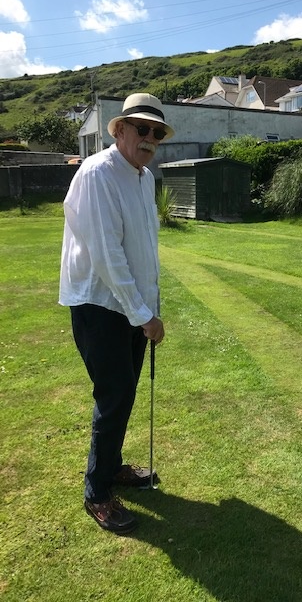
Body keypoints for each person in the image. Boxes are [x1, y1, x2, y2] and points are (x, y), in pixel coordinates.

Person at [59, 93, 175, 533]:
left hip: (131, 307)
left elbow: (144, 249)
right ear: (120, 129)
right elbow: (108, 257)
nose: (150, 138)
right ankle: (97, 492)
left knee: (123, 394)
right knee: (114, 396)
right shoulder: (97, 173)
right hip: (100, 305)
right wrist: (144, 314)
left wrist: (148, 307)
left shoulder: (143, 177)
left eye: (157, 133)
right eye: (142, 129)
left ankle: (112, 468)